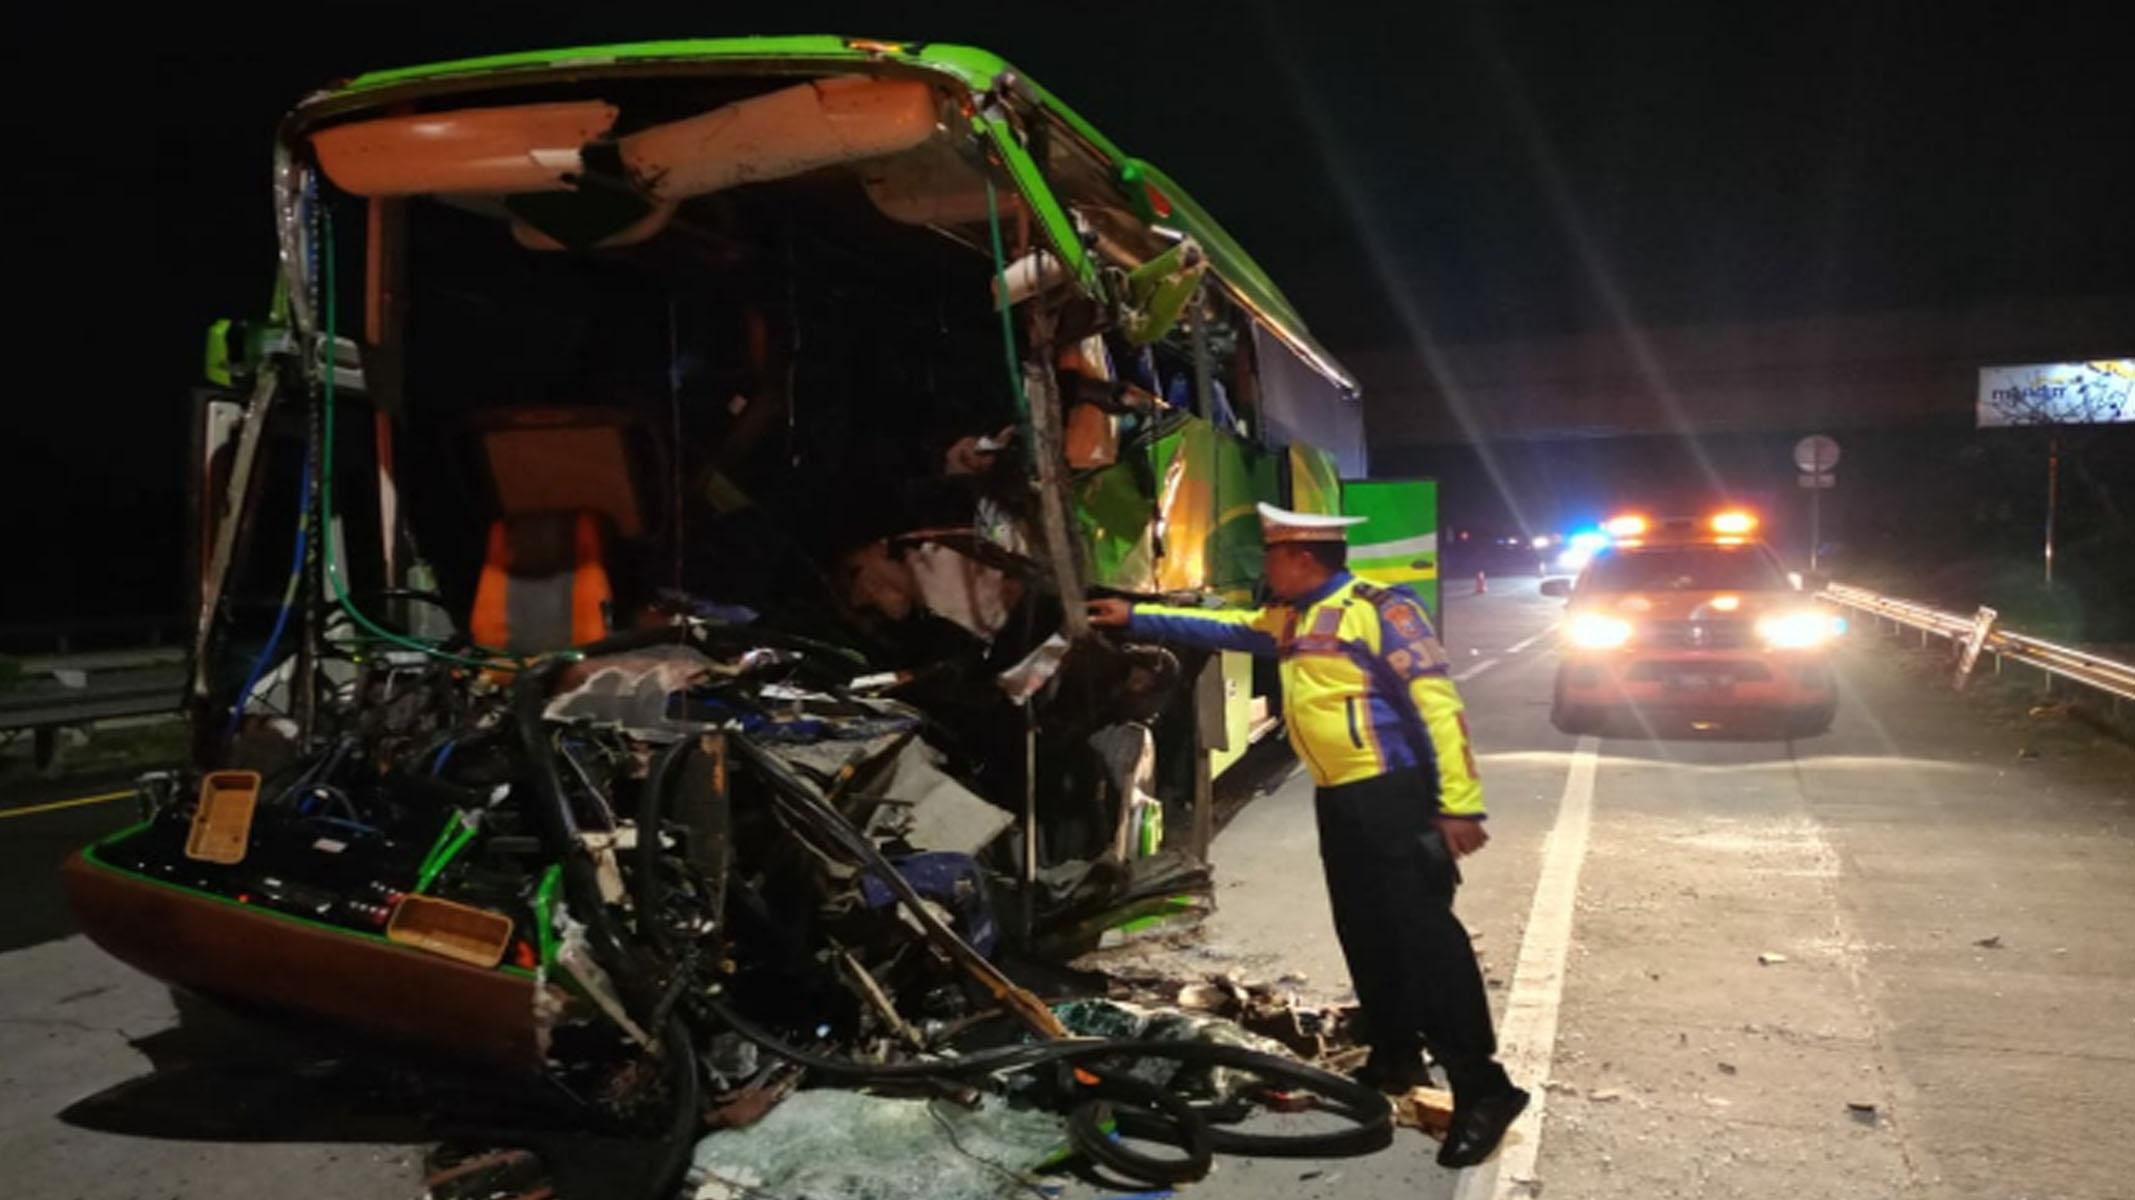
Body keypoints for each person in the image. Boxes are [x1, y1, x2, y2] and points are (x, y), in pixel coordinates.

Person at [1086, 502, 1529, 1169]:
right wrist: (1134, 617)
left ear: (1301, 559)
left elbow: (1439, 705)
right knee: (1363, 928)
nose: (1265, 570)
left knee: (1425, 941)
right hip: (1339, 798)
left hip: (1394, 794)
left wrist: (1458, 803)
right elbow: (1226, 626)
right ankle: (1394, 1057)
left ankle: (1483, 1090)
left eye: (1271, 557)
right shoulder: (1291, 617)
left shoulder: (1381, 610)